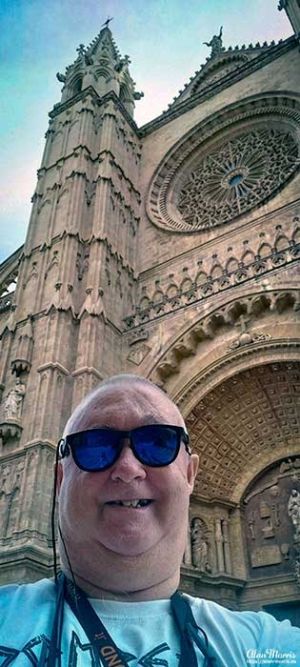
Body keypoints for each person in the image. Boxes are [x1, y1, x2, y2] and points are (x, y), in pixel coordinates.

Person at [0, 374, 299, 666]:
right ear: (60, 480)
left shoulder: (264, 645)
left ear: (190, 474)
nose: (128, 468)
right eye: (96, 446)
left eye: (158, 442)